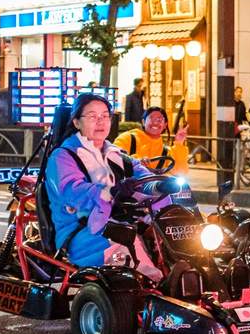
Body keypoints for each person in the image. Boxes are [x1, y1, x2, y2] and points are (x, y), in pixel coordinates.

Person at [45, 93, 172, 280]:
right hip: (83, 231)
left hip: (126, 221)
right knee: (127, 244)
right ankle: (155, 287)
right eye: (92, 116)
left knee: (176, 237)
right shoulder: (62, 157)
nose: (100, 122)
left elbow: (141, 175)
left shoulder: (115, 154)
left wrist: (158, 186)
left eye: (105, 116)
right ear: (76, 122)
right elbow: (71, 190)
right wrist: (111, 191)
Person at [114, 106, 189, 176]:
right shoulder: (128, 138)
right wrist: (136, 161)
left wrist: (179, 143)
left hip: (153, 189)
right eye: (151, 118)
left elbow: (180, 172)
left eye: (159, 120)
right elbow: (114, 156)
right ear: (143, 122)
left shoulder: (166, 152)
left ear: (165, 125)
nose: (155, 122)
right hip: (127, 187)